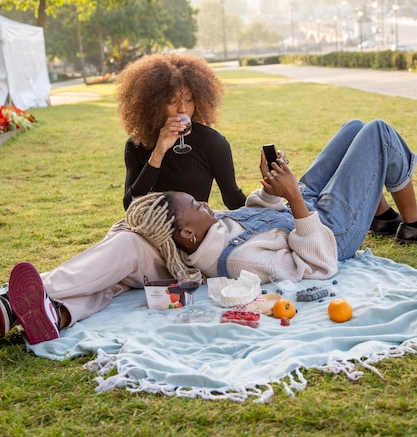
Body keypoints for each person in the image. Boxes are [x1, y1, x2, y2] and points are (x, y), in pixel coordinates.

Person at [1, 119, 416, 344]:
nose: (206, 203)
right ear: (185, 236)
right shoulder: (236, 259)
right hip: (327, 229)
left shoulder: (212, 230)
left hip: (297, 209)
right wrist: (295, 201)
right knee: (377, 132)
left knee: (353, 127)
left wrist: (271, 192)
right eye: (197, 205)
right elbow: (319, 264)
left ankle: (45, 309)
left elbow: (255, 216)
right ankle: (410, 224)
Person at [115, 52, 246, 211]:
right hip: (148, 229)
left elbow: (234, 201)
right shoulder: (137, 144)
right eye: (173, 101)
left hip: (193, 231)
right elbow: (130, 206)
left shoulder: (212, 143)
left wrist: (269, 193)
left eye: (189, 100)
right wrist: (158, 153)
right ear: (154, 104)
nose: (183, 109)